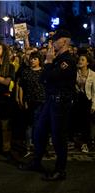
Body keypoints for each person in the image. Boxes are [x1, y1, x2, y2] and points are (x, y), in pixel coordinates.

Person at [19, 29, 77, 181]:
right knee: (39, 132)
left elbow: (47, 77)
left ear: (64, 41)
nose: (53, 43)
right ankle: (37, 162)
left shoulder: (67, 60)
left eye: (56, 40)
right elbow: (44, 78)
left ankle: (60, 170)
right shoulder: (58, 58)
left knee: (58, 138)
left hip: (60, 103)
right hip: (50, 101)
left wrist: (49, 62)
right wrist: (50, 63)